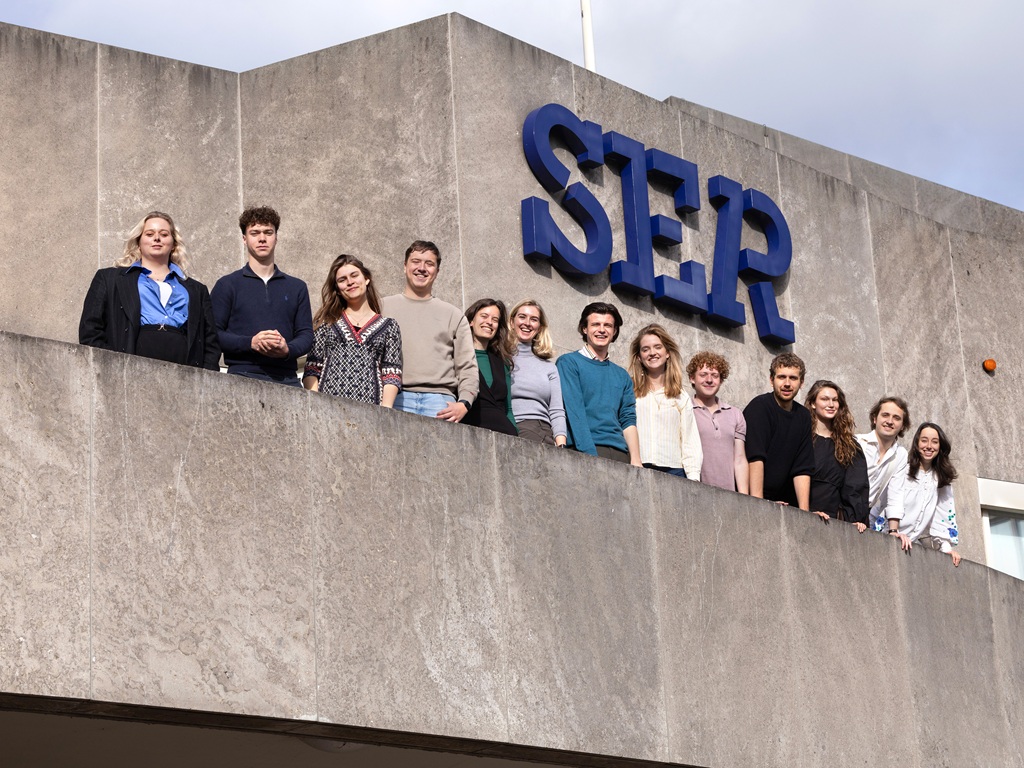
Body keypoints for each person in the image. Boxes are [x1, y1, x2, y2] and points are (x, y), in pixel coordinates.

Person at [79, 210, 220, 369]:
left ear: (173, 243)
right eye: (149, 234)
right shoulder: (109, 279)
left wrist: (204, 376)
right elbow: (90, 330)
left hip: (185, 367)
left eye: (164, 234)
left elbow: (210, 343)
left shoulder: (197, 290)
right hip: (129, 367)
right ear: (138, 241)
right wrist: (112, 367)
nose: (157, 238)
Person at [210, 206, 313, 386]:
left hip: (287, 379)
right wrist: (251, 343)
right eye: (255, 233)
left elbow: (306, 334)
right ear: (244, 239)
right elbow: (213, 333)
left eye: (268, 232)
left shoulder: (297, 287)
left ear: (276, 238)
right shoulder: (227, 285)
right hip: (241, 376)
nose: (262, 238)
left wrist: (287, 349)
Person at [381, 240, 478, 420]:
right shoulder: (382, 307)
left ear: (437, 271)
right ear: (405, 266)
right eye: (416, 261)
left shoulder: (453, 315)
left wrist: (464, 403)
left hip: (441, 403)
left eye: (429, 263)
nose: (422, 268)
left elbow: (467, 366)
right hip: (395, 397)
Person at [302, 254, 402, 406]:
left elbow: (391, 375)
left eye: (354, 275)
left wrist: (385, 411)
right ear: (337, 289)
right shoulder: (325, 323)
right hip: (328, 408)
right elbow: (312, 369)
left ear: (366, 278)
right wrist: (316, 406)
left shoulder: (389, 326)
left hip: (371, 410)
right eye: (342, 280)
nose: (350, 282)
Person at [556, 302, 641, 466]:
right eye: (595, 324)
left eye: (607, 325)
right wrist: (590, 456)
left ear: (614, 331)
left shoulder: (622, 375)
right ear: (584, 329)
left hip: (620, 454)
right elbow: (575, 412)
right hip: (585, 451)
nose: (602, 330)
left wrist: (636, 460)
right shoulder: (569, 363)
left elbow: (628, 419)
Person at [627, 324, 702, 479]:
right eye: (645, 349)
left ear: (667, 353)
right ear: (639, 357)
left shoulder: (680, 395)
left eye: (657, 347)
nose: (652, 353)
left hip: (674, 471)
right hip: (638, 466)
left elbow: (690, 439)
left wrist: (693, 477)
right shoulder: (629, 390)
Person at [883, 422, 961, 566]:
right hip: (886, 536)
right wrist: (893, 532)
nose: (929, 446)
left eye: (935, 442)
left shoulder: (941, 480)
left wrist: (946, 548)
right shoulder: (903, 471)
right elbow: (889, 503)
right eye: (924, 440)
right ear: (917, 443)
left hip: (909, 545)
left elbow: (943, 516)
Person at [743, 352, 815, 509]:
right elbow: (755, 457)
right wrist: (758, 504)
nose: (787, 383)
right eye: (781, 377)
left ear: (801, 382)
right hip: (754, 499)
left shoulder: (803, 415)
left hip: (784, 502)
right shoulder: (760, 407)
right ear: (771, 380)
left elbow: (802, 467)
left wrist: (805, 513)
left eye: (793, 378)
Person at [805, 380, 870, 529]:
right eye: (825, 399)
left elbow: (855, 488)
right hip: (800, 513)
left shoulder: (850, 446)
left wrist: (854, 520)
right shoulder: (802, 437)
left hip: (834, 523)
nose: (831, 404)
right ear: (813, 403)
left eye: (835, 400)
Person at [687, 351, 748, 493]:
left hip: (729, 495)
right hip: (695, 492)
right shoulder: (685, 410)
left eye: (714, 375)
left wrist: (745, 497)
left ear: (721, 380)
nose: (709, 380)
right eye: (703, 375)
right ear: (692, 378)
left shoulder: (735, 414)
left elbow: (739, 459)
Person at [508, 299, 567, 446]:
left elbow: (556, 410)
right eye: (522, 317)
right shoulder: (500, 360)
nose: (527, 323)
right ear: (512, 322)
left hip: (544, 431)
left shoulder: (549, 367)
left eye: (534, 319)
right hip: (513, 427)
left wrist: (561, 444)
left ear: (539, 328)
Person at [855, 396, 911, 533]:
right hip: (840, 510)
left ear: (903, 426)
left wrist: (893, 531)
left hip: (864, 516)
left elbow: (896, 494)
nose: (890, 421)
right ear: (875, 418)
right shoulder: (858, 442)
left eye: (896, 418)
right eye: (885, 415)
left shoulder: (900, 454)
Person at [462, 299, 518, 435]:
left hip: (504, 432)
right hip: (470, 429)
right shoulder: (459, 356)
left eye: (495, 319)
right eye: (484, 316)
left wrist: (516, 435)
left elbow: (508, 409)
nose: (489, 322)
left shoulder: (503, 362)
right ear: (471, 321)